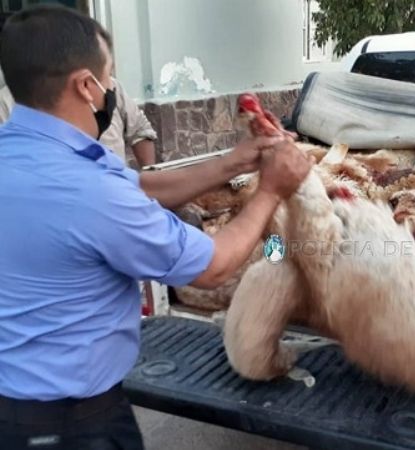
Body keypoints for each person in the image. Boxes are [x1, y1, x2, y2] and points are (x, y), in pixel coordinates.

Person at [0, 6, 312, 450]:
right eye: (109, 77)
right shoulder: (89, 190)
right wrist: (271, 191)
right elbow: (213, 268)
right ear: (86, 86)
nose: (112, 89)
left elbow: (141, 187)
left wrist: (234, 160)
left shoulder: (31, 156)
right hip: (72, 425)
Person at [0, 76, 157, 169]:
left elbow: (140, 130)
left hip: (114, 198)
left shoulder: (108, 86)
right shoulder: (6, 101)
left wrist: (149, 179)